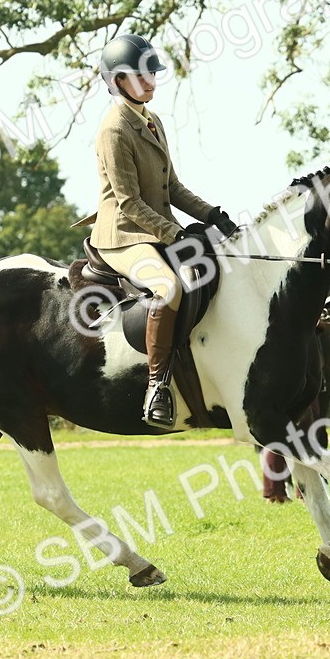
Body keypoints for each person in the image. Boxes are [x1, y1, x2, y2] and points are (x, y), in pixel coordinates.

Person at [80, 33, 237, 428]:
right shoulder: (114, 130)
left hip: (154, 230)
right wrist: (177, 236)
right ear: (118, 81)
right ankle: (157, 386)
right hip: (123, 235)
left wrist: (212, 214)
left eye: (152, 73)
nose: (151, 81)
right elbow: (130, 203)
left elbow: (174, 188)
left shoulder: (152, 121)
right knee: (167, 288)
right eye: (141, 75)